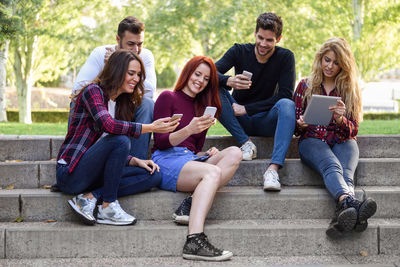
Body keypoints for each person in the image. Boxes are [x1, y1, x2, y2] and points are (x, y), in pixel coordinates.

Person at [57, 50, 179, 226]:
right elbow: (109, 127)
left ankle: (89, 198)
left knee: (153, 175)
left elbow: (107, 147)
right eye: (131, 73)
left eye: (138, 75)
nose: (136, 79)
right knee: (121, 139)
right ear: (116, 70)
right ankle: (108, 206)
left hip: (93, 173)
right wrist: (151, 127)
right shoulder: (93, 91)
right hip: (71, 174)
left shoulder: (121, 103)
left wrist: (135, 161)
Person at [152, 56, 242, 261]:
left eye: (206, 78)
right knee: (212, 172)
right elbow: (161, 141)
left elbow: (193, 150)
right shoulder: (168, 97)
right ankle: (194, 239)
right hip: (165, 160)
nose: (200, 80)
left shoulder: (202, 109)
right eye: (197, 74)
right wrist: (188, 129)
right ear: (188, 73)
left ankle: (190, 202)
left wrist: (207, 154)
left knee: (235, 152)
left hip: (189, 160)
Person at [293, 37, 377, 238]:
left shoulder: (350, 90)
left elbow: (353, 130)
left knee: (347, 175)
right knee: (332, 166)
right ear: (320, 59)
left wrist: (340, 119)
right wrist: (300, 123)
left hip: (343, 140)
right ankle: (354, 208)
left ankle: (343, 216)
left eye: (336, 62)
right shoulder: (305, 85)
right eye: (327, 60)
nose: (330, 66)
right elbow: (295, 127)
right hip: (312, 140)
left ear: (344, 65)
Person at [215, 12, 296, 191]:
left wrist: (247, 108)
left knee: (287, 105)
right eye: (260, 38)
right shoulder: (238, 51)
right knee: (212, 87)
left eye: (269, 40)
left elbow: (285, 94)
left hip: (266, 120)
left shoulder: (285, 57)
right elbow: (207, 72)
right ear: (255, 33)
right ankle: (246, 144)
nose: (263, 44)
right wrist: (228, 80)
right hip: (239, 122)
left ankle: (273, 170)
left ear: (279, 39)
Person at [70, 16, 156, 160]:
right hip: (101, 107)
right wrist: (114, 67)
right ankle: (80, 156)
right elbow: (78, 89)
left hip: (126, 107)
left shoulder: (145, 55)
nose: (136, 50)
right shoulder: (100, 53)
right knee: (76, 103)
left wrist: (125, 71)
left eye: (140, 44)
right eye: (131, 44)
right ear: (118, 39)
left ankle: (136, 162)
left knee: (147, 104)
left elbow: (149, 91)